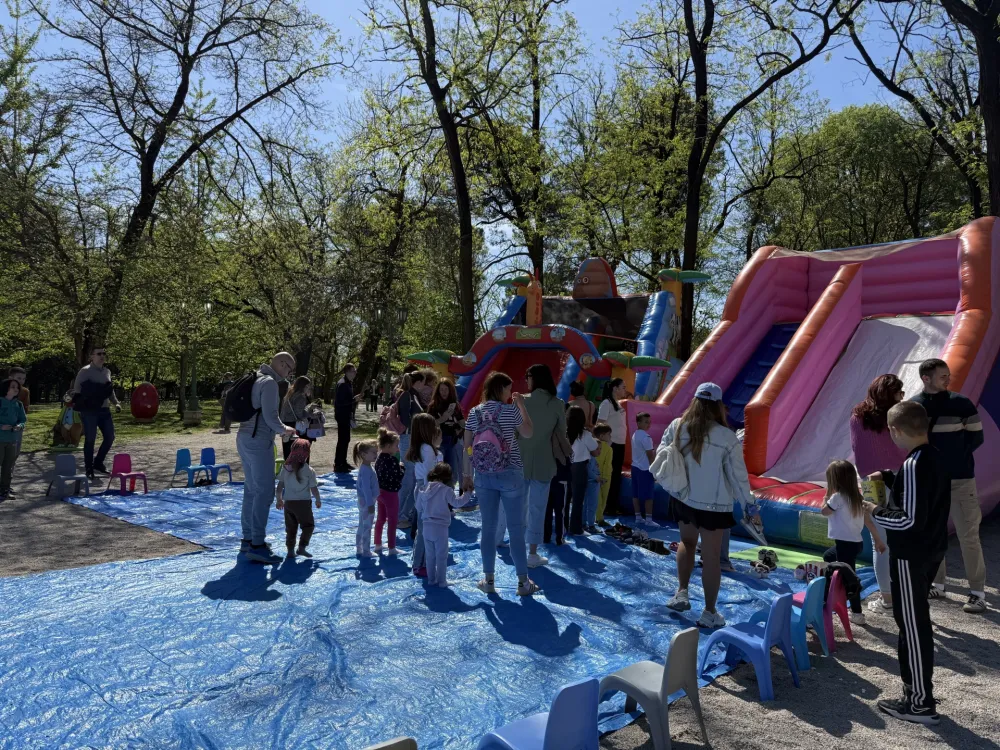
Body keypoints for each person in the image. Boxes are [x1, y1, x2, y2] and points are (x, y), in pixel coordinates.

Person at [864, 400, 951, 725]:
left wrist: (872, 510)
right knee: (915, 624)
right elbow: (919, 493)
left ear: (896, 431)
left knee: (912, 627)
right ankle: (917, 692)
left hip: (910, 555)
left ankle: (919, 703)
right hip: (930, 551)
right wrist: (889, 476)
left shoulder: (914, 465)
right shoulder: (932, 458)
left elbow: (908, 521)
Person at [663, 382, 754, 629]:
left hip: (683, 498)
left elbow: (663, 455)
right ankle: (709, 612)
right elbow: (738, 475)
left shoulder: (677, 426)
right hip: (714, 506)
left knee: (687, 543)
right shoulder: (726, 437)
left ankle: (681, 591)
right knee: (712, 557)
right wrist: (749, 505)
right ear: (717, 405)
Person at [911, 358, 986, 613]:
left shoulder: (962, 404)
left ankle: (977, 592)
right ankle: (938, 584)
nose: (948, 379)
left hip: (961, 479)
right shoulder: (915, 407)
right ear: (926, 378)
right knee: (934, 535)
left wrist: (954, 460)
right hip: (930, 483)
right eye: (942, 375)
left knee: (969, 535)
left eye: (948, 375)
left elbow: (976, 437)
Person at [462, 371, 539, 596]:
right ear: (500, 389)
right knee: (516, 529)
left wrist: (468, 474)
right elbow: (528, 432)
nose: (510, 393)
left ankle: (488, 580)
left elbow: (467, 445)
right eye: (508, 388)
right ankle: (523, 583)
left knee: (488, 528)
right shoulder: (510, 411)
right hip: (511, 473)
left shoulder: (475, 412)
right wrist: (522, 406)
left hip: (484, 475)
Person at [850, 374, 906, 612]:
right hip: (898, 478)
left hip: (871, 481)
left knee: (879, 542)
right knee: (902, 537)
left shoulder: (857, 416)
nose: (902, 396)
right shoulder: (897, 416)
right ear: (890, 393)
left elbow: (858, 449)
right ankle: (903, 591)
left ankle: (887, 597)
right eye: (899, 392)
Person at [237, 352, 297, 564]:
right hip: (259, 439)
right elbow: (271, 417)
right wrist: (286, 430)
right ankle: (258, 544)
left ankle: (248, 538)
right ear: (281, 364)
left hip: (244, 437)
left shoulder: (256, 376)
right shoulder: (270, 383)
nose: (289, 374)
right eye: (289, 369)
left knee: (251, 489)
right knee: (264, 493)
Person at [516, 364, 567, 567]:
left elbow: (513, 430)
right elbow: (561, 433)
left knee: (517, 507)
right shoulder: (558, 403)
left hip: (519, 460)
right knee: (537, 509)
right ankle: (532, 553)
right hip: (545, 463)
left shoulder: (521, 401)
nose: (526, 380)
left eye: (527, 376)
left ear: (533, 378)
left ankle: (516, 547)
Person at [821, 460, 879, 624]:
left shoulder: (837, 497)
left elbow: (824, 512)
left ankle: (857, 613)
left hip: (845, 545)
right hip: (855, 544)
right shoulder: (856, 496)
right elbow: (867, 520)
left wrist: (826, 495)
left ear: (834, 481)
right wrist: (878, 539)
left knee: (850, 580)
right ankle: (838, 587)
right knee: (828, 556)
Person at [416, 463, 476, 587]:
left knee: (430, 556)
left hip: (426, 527)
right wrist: (468, 493)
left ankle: (431, 580)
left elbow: (418, 507)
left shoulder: (423, 489)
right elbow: (457, 503)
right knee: (441, 556)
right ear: (447, 477)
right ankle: (442, 581)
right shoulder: (446, 490)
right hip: (440, 527)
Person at [73, 347, 121, 480]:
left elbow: (109, 390)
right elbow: (77, 390)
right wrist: (91, 395)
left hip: (104, 410)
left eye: (104, 353)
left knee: (110, 437)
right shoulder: (85, 371)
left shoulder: (107, 371)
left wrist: (116, 403)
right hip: (89, 410)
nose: (102, 356)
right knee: (90, 439)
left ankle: (98, 462)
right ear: (92, 356)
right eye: (99, 354)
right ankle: (89, 468)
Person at [407, 413, 442, 576]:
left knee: (423, 529)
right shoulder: (427, 449)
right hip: (426, 488)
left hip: (423, 487)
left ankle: (419, 561)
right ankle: (419, 564)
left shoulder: (423, 447)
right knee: (424, 530)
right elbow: (430, 473)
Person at [275, 438, 321, 558]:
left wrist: (279, 499)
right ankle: (301, 547)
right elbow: (314, 488)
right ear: (307, 454)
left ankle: (290, 551)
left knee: (291, 528)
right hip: (303, 504)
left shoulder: (285, 469)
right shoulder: (309, 470)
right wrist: (318, 499)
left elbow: (279, 487)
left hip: (288, 504)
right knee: (308, 526)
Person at [396, 372, 425, 529]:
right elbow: (406, 419)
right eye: (423, 383)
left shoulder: (413, 395)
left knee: (414, 477)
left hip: (412, 438)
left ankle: (405, 512)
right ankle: (399, 515)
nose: (424, 386)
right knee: (409, 477)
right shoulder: (407, 395)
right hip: (408, 438)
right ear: (418, 382)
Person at [567, 405, 600, 535]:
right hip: (580, 468)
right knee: (578, 500)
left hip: (565, 467)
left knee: (566, 498)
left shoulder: (564, 431)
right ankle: (575, 528)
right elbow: (595, 447)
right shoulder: (584, 434)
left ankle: (564, 525)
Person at [427, 379, 465, 488]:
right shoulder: (433, 405)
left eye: (446, 390)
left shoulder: (455, 405)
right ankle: (439, 494)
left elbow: (462, 421)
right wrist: (444, 417)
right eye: (441, 389)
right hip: (439, 441)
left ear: (451, 391)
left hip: (452, 441)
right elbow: (430, 423)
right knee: (439, 470)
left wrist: (471, 424)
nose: (443, 392)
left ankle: (449, 496)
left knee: (452, 471)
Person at [597, 378, 628, 516]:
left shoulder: (617, 404)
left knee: (616, 476)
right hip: (612, 444)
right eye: (623, 387)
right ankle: (605, 506)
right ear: (615, 388)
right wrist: (605, 443)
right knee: (608, 474)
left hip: (620, 444)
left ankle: (612, 505)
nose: (625, 390)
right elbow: (600, 424)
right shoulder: (606, 403)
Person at [374, 428, 405, 554]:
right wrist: (402, 467)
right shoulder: (392, 461)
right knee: (392, 520)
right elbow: (398, 475)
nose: (397, 449)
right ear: (388, 446)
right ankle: (392, 547)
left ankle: (377, 544)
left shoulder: (379, 458)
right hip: (391, 494)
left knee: (380, 518)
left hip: (380, 492)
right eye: (396, 446)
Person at [0, 378, 27, 501]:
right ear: (6, 388)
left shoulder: (18, 404)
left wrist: (19, 426)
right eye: (13, 387)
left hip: (12, 439)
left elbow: (22, 419)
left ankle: (5, 490)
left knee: (8, 466)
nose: (16, 389)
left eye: (17, 387)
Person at [334, 364, 364, 473]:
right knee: (343, 439)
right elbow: (341, 402)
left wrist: (353, 399)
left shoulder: (348, 383)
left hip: (345, 415)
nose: (354, 373)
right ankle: (339, 464)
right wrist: (353, 400)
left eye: (355, 371)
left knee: (345, 439)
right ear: (346, 371)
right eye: (352, 371)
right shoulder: (342, 384)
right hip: (342, 415)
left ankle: (343, 461)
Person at [631, 412, 658, 528]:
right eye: (646, 422)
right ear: (638, 423)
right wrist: (655, 470)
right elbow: (650, 456)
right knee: (649, 495)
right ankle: (648, 518)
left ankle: (638, 517)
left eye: (649, 422)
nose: (648, 424)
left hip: (635, 467)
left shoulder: (635, 434)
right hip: (644, 469)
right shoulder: (646, 438)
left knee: (635, 493)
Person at [353, 440, 379, 558]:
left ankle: (359, 547)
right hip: (367, 501)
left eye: (376, 452)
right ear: (363, 454)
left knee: (362, 525)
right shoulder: (365, 470)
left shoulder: (367, 467)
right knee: (367, 526)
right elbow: (366, 489)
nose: (376, 454)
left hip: (365, 501)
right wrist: (370, 504)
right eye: (373, 452)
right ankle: (366, 550)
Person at [280, 376, 312, 460]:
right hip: (294, 425)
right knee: (297, 450)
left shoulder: (290, 393)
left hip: (285, 424)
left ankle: (288, 470)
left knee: (287, 450)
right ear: (303, 386)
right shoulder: (300, 396)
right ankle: (299, 471)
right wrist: (309, 412)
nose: (309, 388)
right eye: (307, 386)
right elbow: (300, 414)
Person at [594, 423, 614, 526]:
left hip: (594, 476)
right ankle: (600, 518)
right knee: (603, 498)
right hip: (605, 477)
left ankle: (596, 517)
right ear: (602, 436)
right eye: (608, 434)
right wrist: (605, 477)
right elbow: (607, 464)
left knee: (596, 498)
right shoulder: (608, 449)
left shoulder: (592, 446)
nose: (610, 436)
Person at [8, 367, 28, 462]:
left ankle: (10, 472)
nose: (21, 381)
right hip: (3, 424)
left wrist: (21, 424)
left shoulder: (25, 392)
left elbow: (25, 408)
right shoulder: (3, 389)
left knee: (15, 450)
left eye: (23, 379)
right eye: (19, 378)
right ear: (10, 378)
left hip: (17, 424)